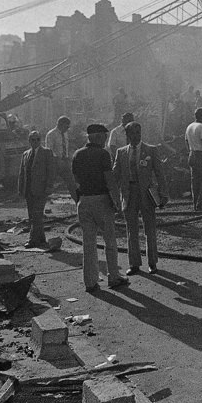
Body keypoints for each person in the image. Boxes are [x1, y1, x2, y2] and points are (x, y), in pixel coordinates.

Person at [71, 123, 128, 293]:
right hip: (102, 200)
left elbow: (75, 179)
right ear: (98, 137)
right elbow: (109, 179)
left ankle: (90, 281)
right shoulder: (103, 154)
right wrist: (117, 201)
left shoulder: (77, 154)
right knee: (110, 241)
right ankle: (113, 277)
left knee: (88, 243)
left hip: (84, 200)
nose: (105, 139)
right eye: (104, 136)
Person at [114, 121, 168, 274]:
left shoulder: (151, 150)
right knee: (131, 230)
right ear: (127, 135)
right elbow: (115, 175)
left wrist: (163, 194)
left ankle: (152, 262)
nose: (136, 136)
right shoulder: (121, 153)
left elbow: (160, 173)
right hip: (128, 193)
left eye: (138, 133)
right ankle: (134, 264)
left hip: (146, 193)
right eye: (133, 133)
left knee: (150, 229)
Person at [17, 130, 54, 247]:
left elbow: (51, 172)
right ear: (29, 141)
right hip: (29, 190)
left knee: (37, 215)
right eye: (33, 139)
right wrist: (20, 189)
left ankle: (33, 240)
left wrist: (49, 186)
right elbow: (22, 173)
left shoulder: (46, 153)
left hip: (41, 189)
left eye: (38, 139)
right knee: (32, 215)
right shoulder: (25, 154)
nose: (36, 142)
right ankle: (41, 238)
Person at [46, 116, 80, 201]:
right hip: (54, 163)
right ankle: (40, 208)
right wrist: (57, 160)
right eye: (66, 126)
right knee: (48, 185)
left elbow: (67, 147)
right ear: (60, 124)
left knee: (72, 184)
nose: (68, 128)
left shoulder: (65, 133)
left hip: (65, 162)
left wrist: (68, 157)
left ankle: (78, 204)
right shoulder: (51, 134)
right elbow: (49, 150)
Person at [185, 107, 202, 212]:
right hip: (200, 155)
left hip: (192, 154)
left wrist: (190, 152)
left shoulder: (189, 126)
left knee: (194, 181)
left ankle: (195, 203)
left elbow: (186, 143)